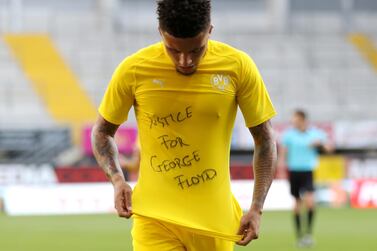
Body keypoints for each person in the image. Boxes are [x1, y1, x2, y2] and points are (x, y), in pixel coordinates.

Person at [91, 0, 277, 250]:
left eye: (196, 50)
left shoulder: (238, 67)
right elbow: (102, 132)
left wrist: (257, 208)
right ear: (160, 33)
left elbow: (265, 140)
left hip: (214, 222)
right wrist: (117, 180)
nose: (185, 60)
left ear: (209, 30)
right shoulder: (134, 70)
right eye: (173, 50)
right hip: (155, 220)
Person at [278, 110, 333, 248]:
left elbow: (329, 149)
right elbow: (283, 153)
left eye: (295, 119)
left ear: (303, 120)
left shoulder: (315, 134)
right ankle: (299, 236)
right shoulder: (288, 135)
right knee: (297, 203)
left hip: (308, 171)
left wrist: (319, 144)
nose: (293, 122)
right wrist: (280, 169)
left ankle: (308, 234)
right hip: (294, 171)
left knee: (310, 202)